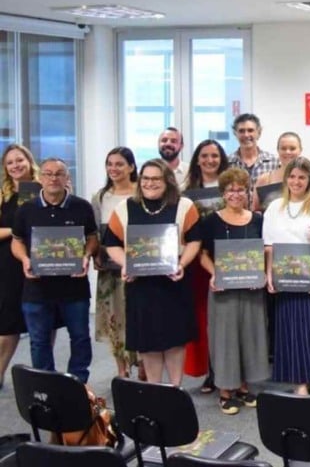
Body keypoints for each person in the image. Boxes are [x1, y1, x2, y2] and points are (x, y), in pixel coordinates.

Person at [104, 159, 201, 385]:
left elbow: (195, 240)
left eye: (156, 178)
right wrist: (126, 264)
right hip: (141, 285)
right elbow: (112, 243)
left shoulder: (184, 205)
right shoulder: (125, 207)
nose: (150, 183)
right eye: (146, 178)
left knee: (175, 339)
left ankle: (175, 387)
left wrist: (182, 264)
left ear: (168, 181)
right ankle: (155, 388)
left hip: (174, 283)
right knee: (147, 341)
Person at [11, 157, 98, 383]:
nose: (53, 178)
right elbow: (17, 241)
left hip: (74, 287)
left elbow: (92, 237)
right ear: (40, 178)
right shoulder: (26, 209)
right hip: (36, 287)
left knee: (80, 338)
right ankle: (46, 384)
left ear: (67, 178)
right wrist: (25, 259)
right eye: (48, 174)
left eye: (59, 173)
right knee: (39, 340)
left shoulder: (82, 207)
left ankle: (78, 382)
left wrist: (86, 256)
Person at [196, 167, 270, 415]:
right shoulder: (211, 221)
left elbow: (264, 251)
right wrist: (214, 273)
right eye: (230, 190)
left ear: (248, 192)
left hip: (251, 288)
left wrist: (261, 272)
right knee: (225, 338)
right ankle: (226, 391)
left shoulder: (258, 220)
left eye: (240, 189)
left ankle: (244, 386)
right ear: (223, 193)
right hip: (223, 290)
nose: (235, 194)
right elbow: (203, 255)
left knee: (250, 336)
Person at [263, 157, 310, 395]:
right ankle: (300, 382)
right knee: (290, 331)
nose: (296, 181)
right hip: (284, 279)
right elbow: (269, 246)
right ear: (286, 179)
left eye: (302, 177)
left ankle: (308, 380)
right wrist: (269, 275)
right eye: (292, 176)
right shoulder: (274, 208)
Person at [183, 139, 230, 393]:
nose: (210, 160)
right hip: (197, 261)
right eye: (204, 156)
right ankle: (209, 371)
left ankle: (226, 370)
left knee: (224, 319)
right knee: (203, 318)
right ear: (197, 160)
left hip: (226, 258)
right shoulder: (187, 191)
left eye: (214, 156)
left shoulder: (230, 186)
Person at [91, 147, 140, 379]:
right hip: (110, 270)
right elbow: (94, 232)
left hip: (139, 268)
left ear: (131, 167)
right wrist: (94, 254)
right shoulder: (100, 197)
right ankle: (121, 367)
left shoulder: (142, 192)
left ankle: (143, 364)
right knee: (115, 318)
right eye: (109, 164)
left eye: (119, 164)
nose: (113, 168)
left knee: (138, 315)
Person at [0, 144, 39, 388]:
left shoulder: (43, 189)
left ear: (29, 161)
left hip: (38, 261)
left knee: (42, 323)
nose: (15, 165)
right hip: (8, 265)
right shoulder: (2, 195)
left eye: (19, 160)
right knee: (7, 323)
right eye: (10, 162)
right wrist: (17, 230)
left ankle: (42, 375)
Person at [254, 132, 310, 208]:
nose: (288, 152)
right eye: (283, 148)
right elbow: (255, 211)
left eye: (292, 148)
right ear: (278, 150)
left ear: (300, 150)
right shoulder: (264, 180)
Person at [228, 113, 280, 193]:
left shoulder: (273, 162)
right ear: (235, 133)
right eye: (241, 131)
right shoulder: (227, 163)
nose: (246, 135)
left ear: (259, 132)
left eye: (250, 130)